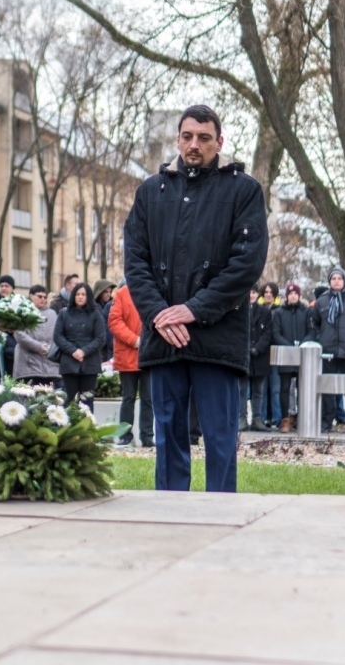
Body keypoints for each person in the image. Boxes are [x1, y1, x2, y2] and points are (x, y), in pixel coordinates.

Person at [123, 104, 268, 493]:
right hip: (165, 338)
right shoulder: (150, 192)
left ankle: (221, 517)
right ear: (177, 139)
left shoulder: (244, 190)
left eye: (204, 138)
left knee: (220, 440)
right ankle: (170, 517)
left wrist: (192, 310)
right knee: (167, 436)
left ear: (219, 142)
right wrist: (159, 316)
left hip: (216, 338)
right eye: (187, 136)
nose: (194, 145)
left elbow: (247, 264)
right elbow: (136, 263)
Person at [306, 267, 345, 433]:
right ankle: (327, 420)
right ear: (329, 281)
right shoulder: (322, 300)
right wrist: (321, 339)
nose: (336, 281)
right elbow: (314, 322)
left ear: (344, 281)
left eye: (339, 279)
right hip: (327, 351)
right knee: (327, 387)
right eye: (333, 279)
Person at [109, 279, 154, 448]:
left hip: (147, 354)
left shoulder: (150, 290)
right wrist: (134, 340)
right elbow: (114, 321)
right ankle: (125, 435)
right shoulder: (122, 293)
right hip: (129, 355)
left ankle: (147, 436)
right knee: (128, 398)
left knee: (148, 398)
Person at [53, 282, 108, 407]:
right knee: (71, 400)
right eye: (77, 294)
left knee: (87, 400)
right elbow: (57, 336)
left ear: (88, 296)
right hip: (69, 360)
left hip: (89, 361)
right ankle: (72, 426)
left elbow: (100, 338)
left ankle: (88, 425)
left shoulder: (95, 313)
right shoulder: (64, 313)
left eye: (83, 294)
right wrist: (73, 351)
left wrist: (83, 351)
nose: (80, 297)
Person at [272, 282, 308, 431]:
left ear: (299, 296)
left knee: (302, 388)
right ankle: (285, 420)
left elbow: (311, 331)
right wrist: (289, 345)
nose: (293, 296)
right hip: (286, 355)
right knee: (285, 388)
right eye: (290, 293)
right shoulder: (279, 313)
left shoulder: (306, 312)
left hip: (303, 355)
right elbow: (276, 333)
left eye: (295, 294)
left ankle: (301, 419)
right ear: (286, 296)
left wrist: (303, 344)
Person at [12, 284, 61, 386]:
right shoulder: (22, 312)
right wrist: (38, 347)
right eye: (39, 296)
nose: (43, 299)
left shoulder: (52, 314)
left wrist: (49, 348)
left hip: (49, 364)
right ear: (31, 296)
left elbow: (58, 334)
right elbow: (19, 334)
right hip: (28, 363)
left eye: (44, 297)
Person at [245, 287, 273, 432]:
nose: (251, 295)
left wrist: (258, 348)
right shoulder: (239, 310)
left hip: (260, 356)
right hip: (243, 356)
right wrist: (247, 346)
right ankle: (241, 419)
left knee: (258, 391)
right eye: (250, 292)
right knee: (242, 390)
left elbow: (268, 333)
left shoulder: (265, 312)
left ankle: (257, 419)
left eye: (254, 292)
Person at [258, 282, 281, 427]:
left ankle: (277, 419)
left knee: (275, 389)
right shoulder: (258, 310)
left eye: (271, 292)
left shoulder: (279, 310)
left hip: (276, 352)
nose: (268, 294)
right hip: (261, 353)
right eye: (266, 292)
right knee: (262, 389)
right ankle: (262, 418)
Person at [93, 279, 116, 362]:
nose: (108, 294)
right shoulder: (93, 308)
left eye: (110, 292)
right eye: (105, 292)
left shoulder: (113, 305)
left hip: (111, 347)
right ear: (99, 292)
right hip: (99, 348)